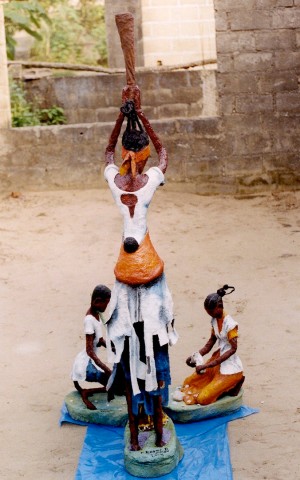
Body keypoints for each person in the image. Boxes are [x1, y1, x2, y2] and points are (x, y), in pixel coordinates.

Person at [104, 86, 178, 450]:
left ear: (123, 154)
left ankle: (136, 437)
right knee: (154, 341)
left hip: (124, 271)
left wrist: (122, 116)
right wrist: (142, 117)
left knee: (131, 345)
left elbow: (104, 153)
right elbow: (164, 153)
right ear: (143, 154)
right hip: (149, 271)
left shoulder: (116, 184)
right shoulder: (148, 183)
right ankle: (158, 428)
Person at [182, 284, 244, 405]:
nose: (210, 315)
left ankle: (233, 383)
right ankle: (218, 385)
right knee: (189, 382)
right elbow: (210, 343)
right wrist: (195, 356)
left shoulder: (230, 325)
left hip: (229, 368)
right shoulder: (215, 319)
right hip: (216, 361)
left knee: (203, 398)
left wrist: (208, 365)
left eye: (211, 312)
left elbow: (233, 349)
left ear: (220, 306)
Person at [71, 284, 112, 410]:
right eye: (106, 303)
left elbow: (99, 340)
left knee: (114, 382)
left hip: (91, 360)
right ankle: (85, 393)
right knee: (111, 381)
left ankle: (87, 391)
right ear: (97, 301)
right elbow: (89, 351)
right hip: (85, 364)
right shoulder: (89, 320)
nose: (106, 306)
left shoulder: (97, 314)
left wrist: (112, 347)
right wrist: (105, 368)